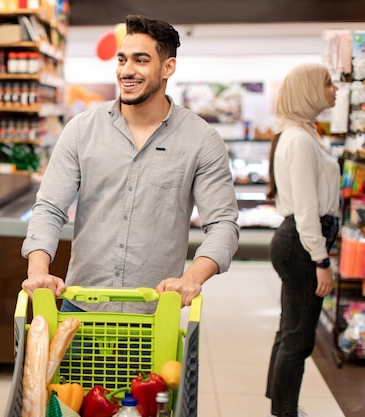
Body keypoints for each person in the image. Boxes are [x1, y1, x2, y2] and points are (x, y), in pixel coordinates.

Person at [20, 14, 240, 313]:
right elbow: (49, 208)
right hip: (81, 305)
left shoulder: (201, 139)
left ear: (168, 67)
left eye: (140, 60)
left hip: (154, 312)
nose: (127, 70)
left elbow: (222, 224)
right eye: (122, 60)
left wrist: (191, 278)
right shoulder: (82, 130)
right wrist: (38, 270)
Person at [265, 63, 340, 417]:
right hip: (303, 242)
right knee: (298, 339)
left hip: (299, 240)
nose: (335, 89)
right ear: (309, 90)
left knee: (290, 331)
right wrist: (321, 261)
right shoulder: (298, 140)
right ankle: (284, 411)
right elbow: (307, 211)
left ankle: (280, 406)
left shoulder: (302, 134)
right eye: (328, 83)